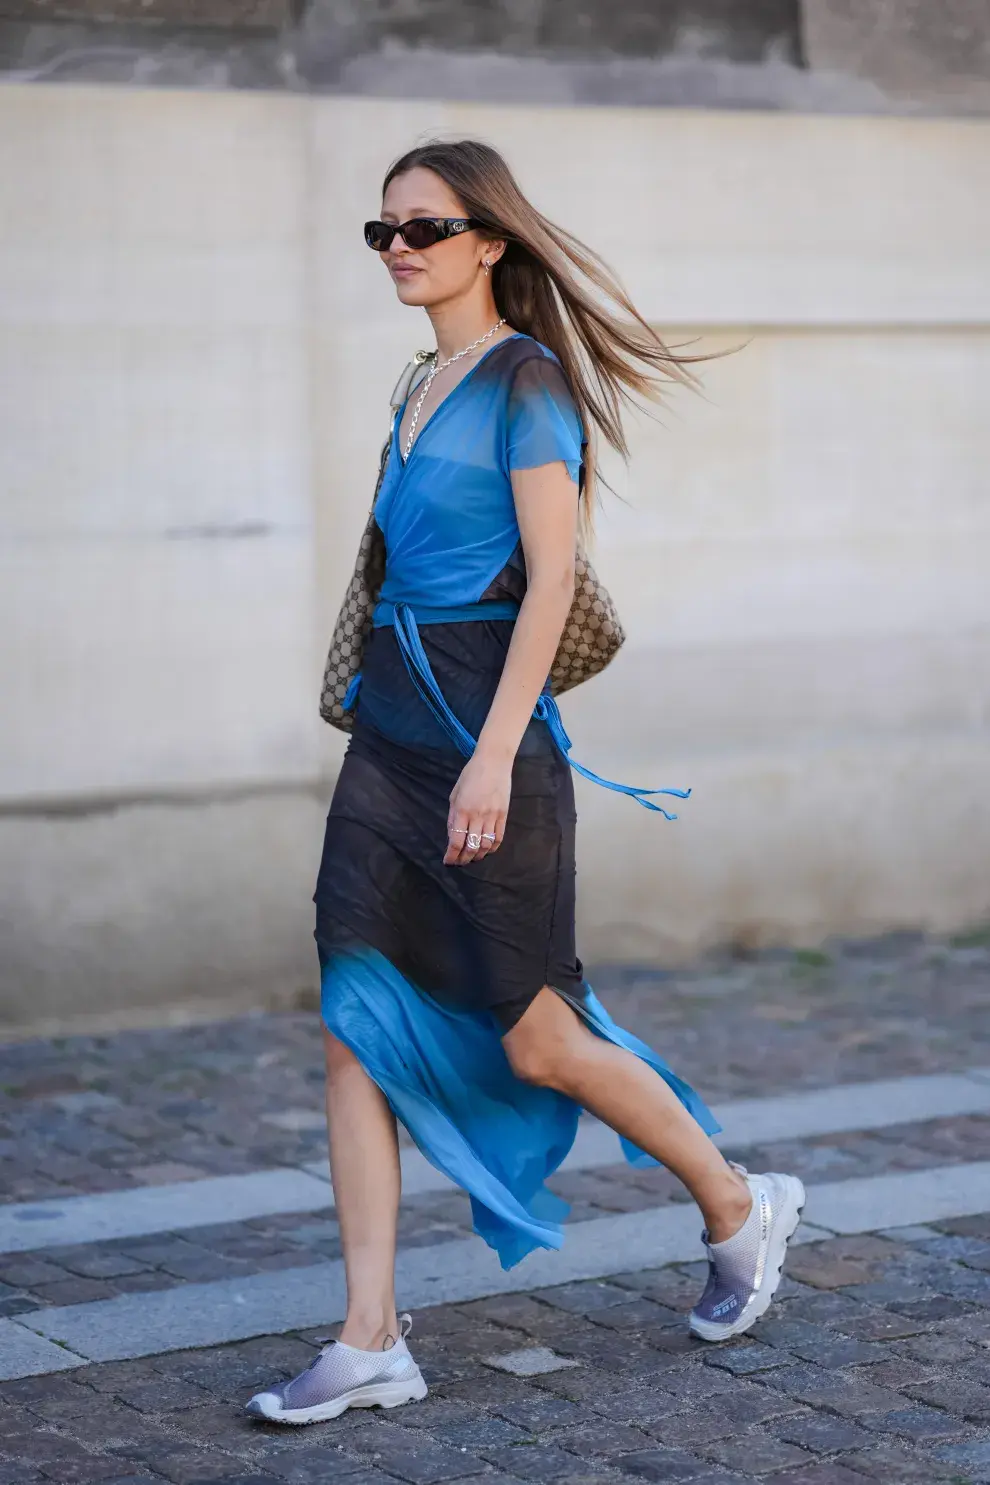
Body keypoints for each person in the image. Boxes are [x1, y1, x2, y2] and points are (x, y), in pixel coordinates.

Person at [247, 140, 804, 1427]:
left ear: (488, 240)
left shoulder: (527, 381)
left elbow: (551, 579)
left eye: (423, 229)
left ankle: (734, 1202)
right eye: (381, 232)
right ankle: (371, 1337)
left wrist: (493, 755)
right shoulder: (421, 380)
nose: (398, 250)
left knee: (539, 1032)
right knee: (351, 1025)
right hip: (387, 742)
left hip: (489, 742)